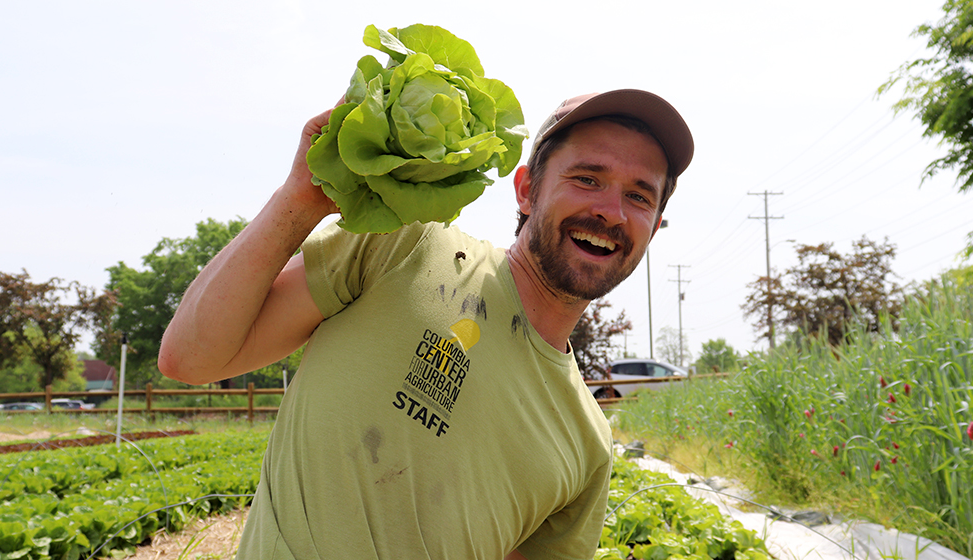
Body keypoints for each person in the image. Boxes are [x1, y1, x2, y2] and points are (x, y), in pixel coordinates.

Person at [159, 88, 694, 560]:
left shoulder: (587, 442)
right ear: (527, 189)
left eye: (639, 196)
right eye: (587, 178)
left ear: (654, 225)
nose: (611, 211)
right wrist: (297, 201)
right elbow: (191, 358)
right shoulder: (403, 245)